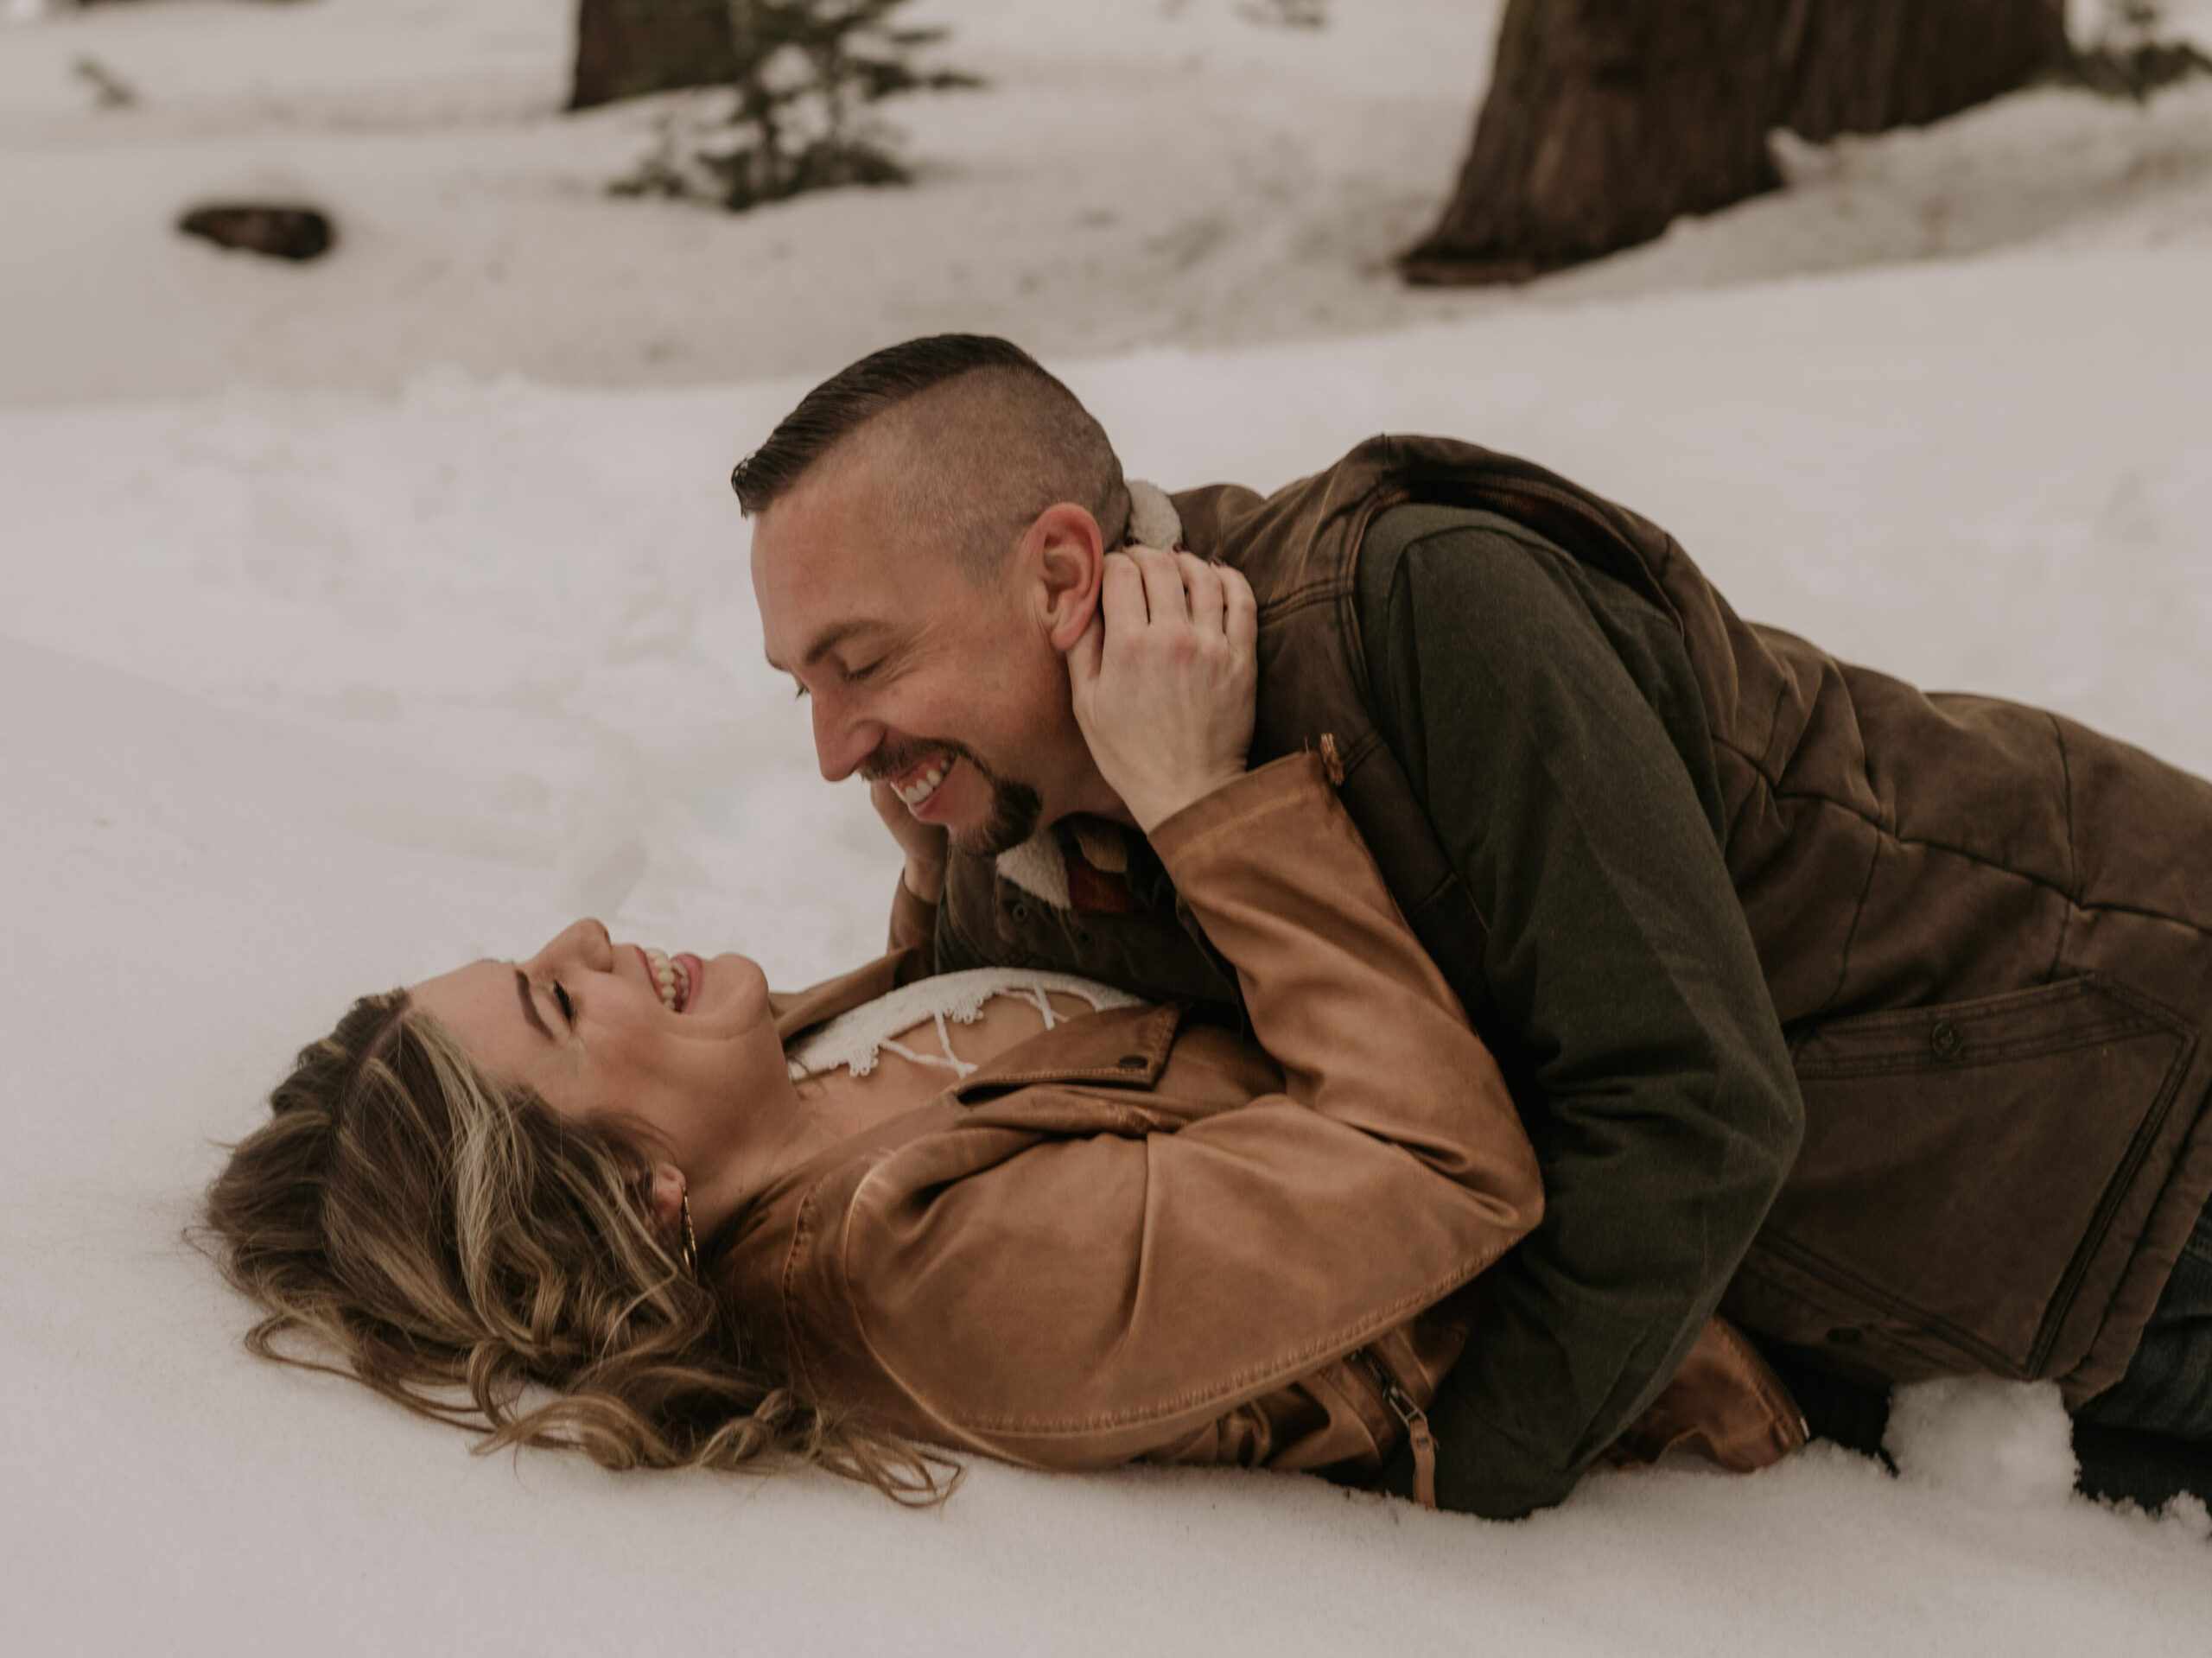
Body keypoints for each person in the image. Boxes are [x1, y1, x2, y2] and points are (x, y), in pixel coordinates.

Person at [736, 334, 2212, 1518]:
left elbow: (1691, 1105)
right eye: (801, 684)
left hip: (2128, 1097)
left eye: (860, 662)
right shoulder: (1027, 845)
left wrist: (1467, 1477)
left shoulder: (1421, 608)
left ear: (1061, 573)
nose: (830, 746)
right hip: (1925, 1311)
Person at [202, 557, 1803, 1504]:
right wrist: (1201, 800)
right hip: (1766, 1346)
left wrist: (957, 810)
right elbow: (1440, 1166)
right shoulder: (930, 1282)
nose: (590, 938)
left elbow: (982, 1030)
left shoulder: (773, 1100)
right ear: (640, 1198)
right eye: (559, 1001)